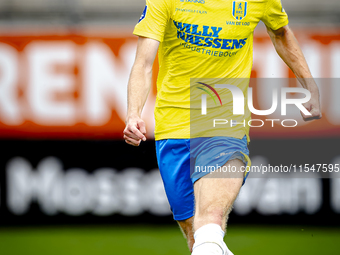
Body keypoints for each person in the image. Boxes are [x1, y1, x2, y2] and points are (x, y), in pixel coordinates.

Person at [123, 0, 322, 254]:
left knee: (208, 225)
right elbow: (142, 63)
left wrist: (310, 85)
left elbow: (280, 31)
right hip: (173, 127)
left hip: (224, 122)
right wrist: (133, 114)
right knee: (198, 239)